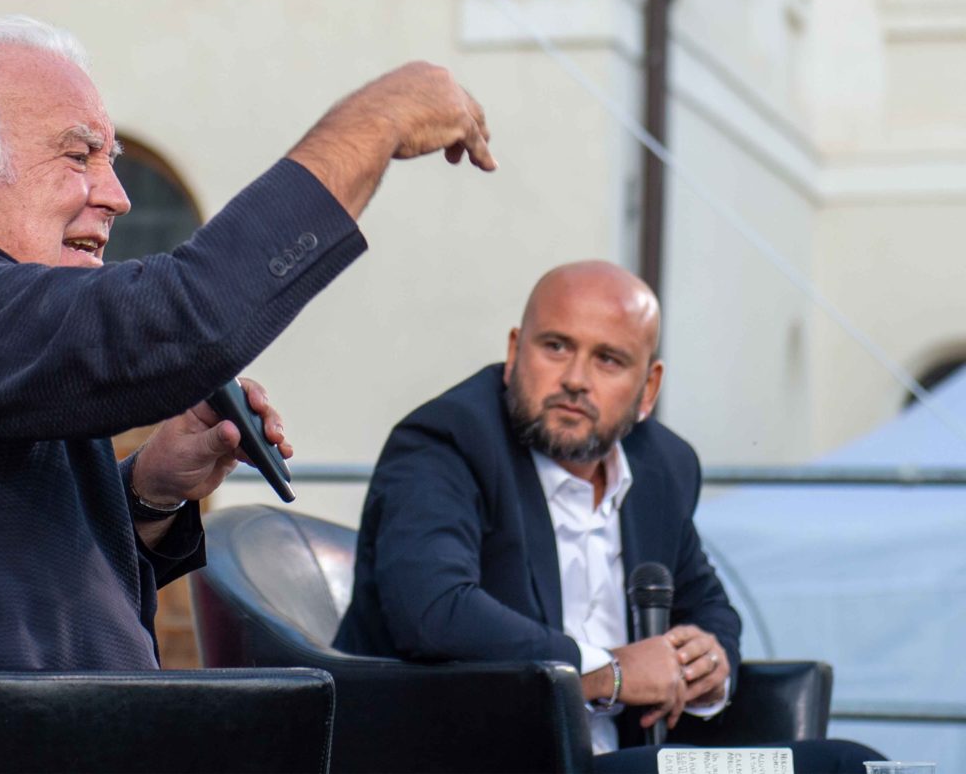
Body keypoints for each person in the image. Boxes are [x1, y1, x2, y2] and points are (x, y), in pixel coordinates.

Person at [0, 13, 495, 672]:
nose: (114, 196)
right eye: (79, 157)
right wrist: (376, 123)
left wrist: (147, 494)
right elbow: (183, 319)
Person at [334, 261, 883, 772]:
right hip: (485, 757)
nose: (576, 378)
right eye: (556, 346)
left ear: (648, 389)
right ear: (515, 352)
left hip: (627, 761)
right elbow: (435, 612)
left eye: (608, 360)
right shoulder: (447, 442)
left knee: (861, 766)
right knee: (835, 768)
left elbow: (707, 604)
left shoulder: (661, 467)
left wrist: (707, 661)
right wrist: (610, 672)